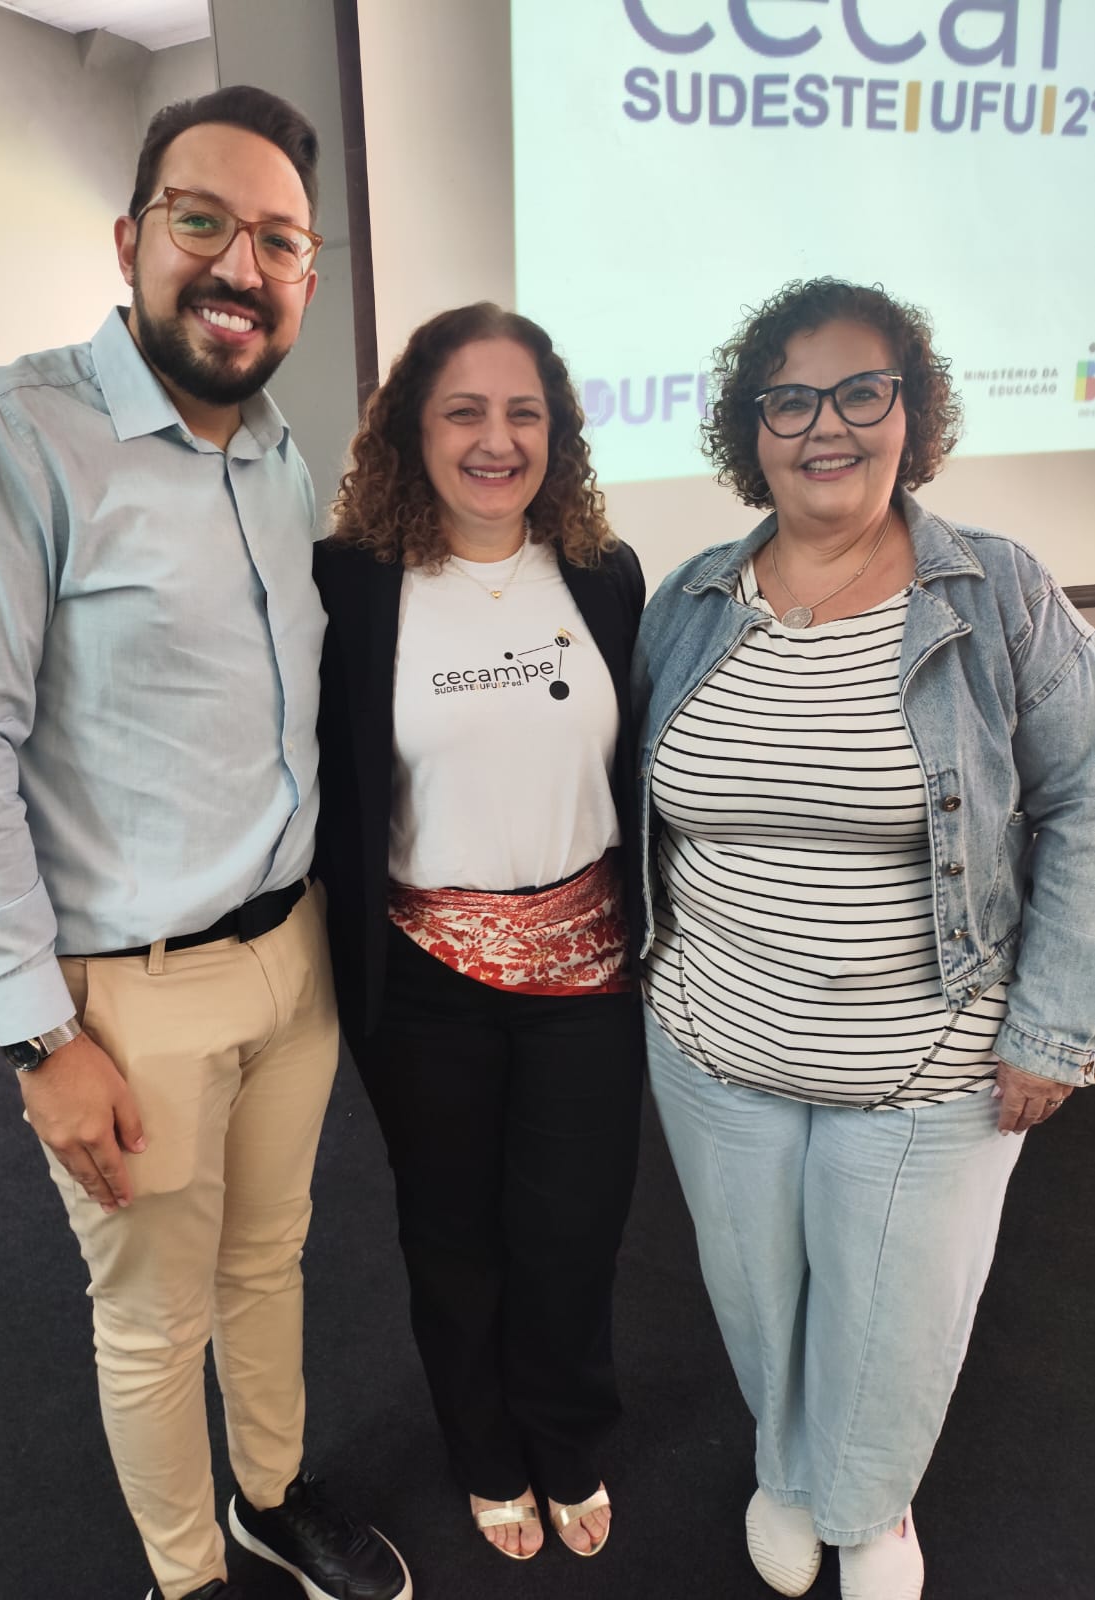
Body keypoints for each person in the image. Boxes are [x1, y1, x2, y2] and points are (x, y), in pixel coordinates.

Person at [0, 85, 410, 1600]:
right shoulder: (9, 432)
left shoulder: (279, 457)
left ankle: (270, 1497)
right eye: (203, 222)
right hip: (127, 998)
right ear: (130, 239)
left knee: (269, 1260)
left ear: (307, 274)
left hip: (290, 958)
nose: (241, 267)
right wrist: (39, 1037)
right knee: (151, 1318)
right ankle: (186, 1579)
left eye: (280, 241)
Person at [634, 278, 1094, 1600]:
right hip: (712, 1047)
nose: (823, 425)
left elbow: (1082, 803)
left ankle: (870, 1507)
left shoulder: (996, 592)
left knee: (891, 1323)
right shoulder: (690, 600)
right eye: (788, 399)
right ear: (750, 428)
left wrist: (1053, 1026)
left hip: (927, 1062)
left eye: (858, 391)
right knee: (758, 1302)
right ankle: (789, 1472)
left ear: (911, 411)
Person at [313, 303, 645, 1561]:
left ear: (556, 434)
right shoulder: (350, 583)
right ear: (412, 428)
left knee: (572, 1228)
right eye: (464, 412)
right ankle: (484, 1449)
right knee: (451, 1232)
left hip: (589, 969)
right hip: (424, 979)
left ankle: (564, 1433)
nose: (496, 440)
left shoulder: (604, 575)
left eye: (523, 413)